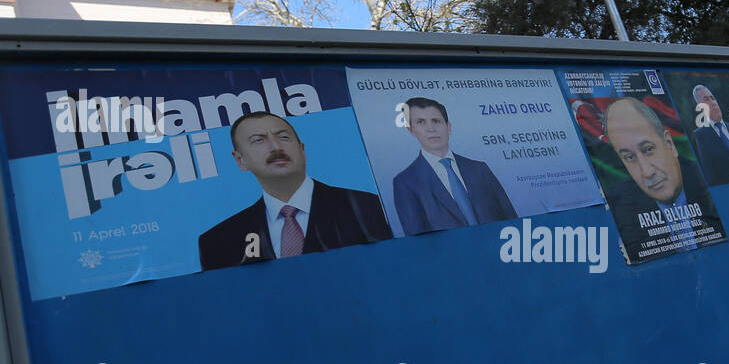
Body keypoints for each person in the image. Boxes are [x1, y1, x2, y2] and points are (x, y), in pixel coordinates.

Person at [198, 111, 391, 271]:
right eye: (258, 140)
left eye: (283, 137)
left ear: (302, 149)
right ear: (240, 160)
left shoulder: (370, 207)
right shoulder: (218, 242)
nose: (276, 147)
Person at [602, 97, 723, 255]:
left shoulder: (712, 176)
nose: (647, 172)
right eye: (630, 157)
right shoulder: (617, 207)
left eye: (648, 149)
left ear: (670, 144)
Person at [392, 97, 516, 235]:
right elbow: (420, 241)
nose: (431, 129)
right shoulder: (405, 183)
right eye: (421, 122)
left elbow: (511, 218)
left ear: (448, 127)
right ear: (411, 131)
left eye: (436, 121)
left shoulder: (479, 169)